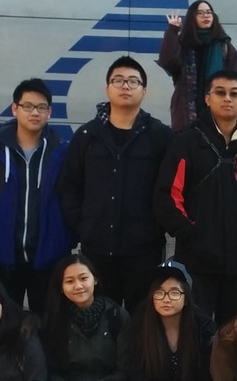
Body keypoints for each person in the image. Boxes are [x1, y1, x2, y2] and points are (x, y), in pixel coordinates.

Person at [154, 71, 237, 323]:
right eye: (220, 92)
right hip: (196, 263)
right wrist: (192, 234)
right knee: (193, 333)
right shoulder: (186, 143)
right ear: (208, 99)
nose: (227, 99)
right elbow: (168, 196)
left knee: (233, 337)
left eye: (234, 94)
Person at [56, 56, 174, 310]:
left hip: (144, 250)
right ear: (107, 88)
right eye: (118, 80)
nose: (125, 86)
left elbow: (171, 189)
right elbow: (69, 186)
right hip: (96, 248)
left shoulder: (160, 136)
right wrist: (82, 225)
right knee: (97, 319)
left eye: (133, 81)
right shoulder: (87, 136)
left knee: (141, 321)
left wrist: (157, 226)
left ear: (144, 91)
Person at [0, 79, 75, 312]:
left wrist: (66, 238)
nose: (34, 112)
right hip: (2, 258)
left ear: (50, 112)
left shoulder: (61, 152)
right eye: (27, 106)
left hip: (49, 258)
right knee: (3, 325)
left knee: (48, 326)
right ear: (15, 108)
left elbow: (75, 197)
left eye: (41, 107)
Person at [158, 0, 237, 131]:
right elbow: (168, 62)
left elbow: (236, 79)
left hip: (218, 112)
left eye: (209, 12)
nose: (206, 16)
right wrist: (172, 31)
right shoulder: (184, 44)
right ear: (192, 18)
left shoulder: (224, 47)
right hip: (187, 112)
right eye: (200, 13)